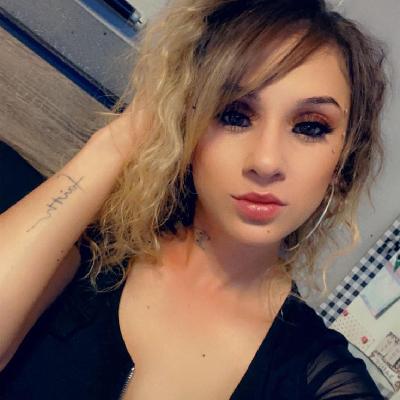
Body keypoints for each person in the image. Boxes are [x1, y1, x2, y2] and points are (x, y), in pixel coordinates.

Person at [0, 0, 389, 398]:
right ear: (186, 125)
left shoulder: (316, 378)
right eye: (233, 115)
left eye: (310, 127)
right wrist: (123, 137)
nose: (266, 161)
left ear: (343, 161)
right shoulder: (86, 245)